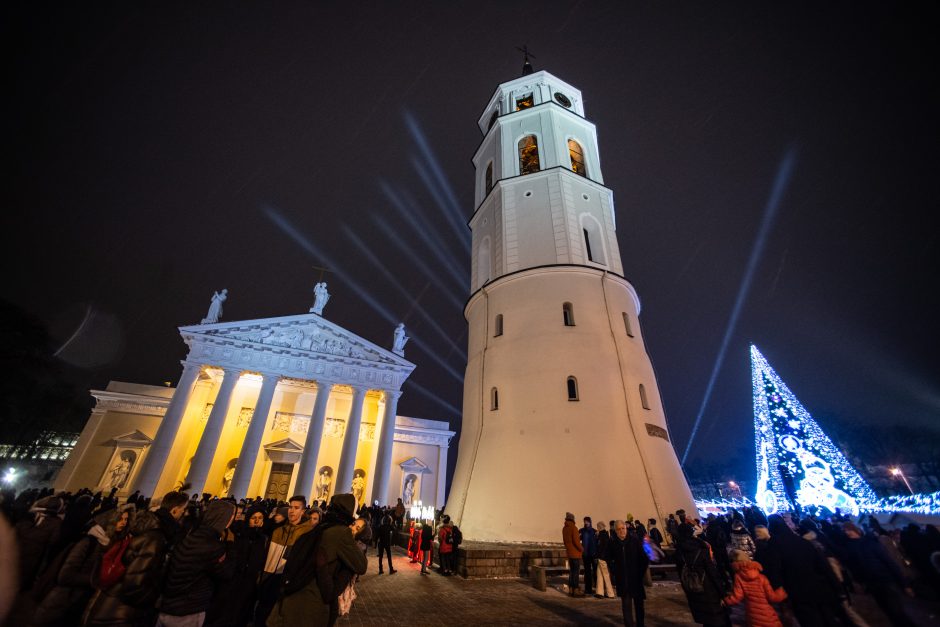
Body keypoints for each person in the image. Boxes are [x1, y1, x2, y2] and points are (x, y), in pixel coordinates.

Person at [85, 489, 190, 626]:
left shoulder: (142, 525)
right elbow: (135, 584)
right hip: (119, 613)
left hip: (108, 600)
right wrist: (155, 599)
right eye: (183, 510)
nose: (185, 513)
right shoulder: (155, 538)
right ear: (175, 510)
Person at [267, 493, 368, 627]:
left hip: (295, 593)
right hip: (311, 602)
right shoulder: (342, 532)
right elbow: (361, 566)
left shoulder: (323, 526)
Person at [31, 504, 135, 627]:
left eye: (126, 519)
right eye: (120, 519)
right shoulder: (89, 542)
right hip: (62, 603)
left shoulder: (112, 544)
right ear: (111, 520)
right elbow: (65, 575)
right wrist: (96, 579)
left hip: (79, 605)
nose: (123, 522)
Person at [158, 500, 236, 626]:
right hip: (189, 609)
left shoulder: (190, 533)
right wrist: (230, 545)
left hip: (169, 603)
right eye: (231, 517)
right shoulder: (213, 545)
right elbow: (227, 573)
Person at [841, 521, 917, 627]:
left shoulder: (869, 542)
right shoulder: (851, 547)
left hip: (885, 581)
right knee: (890, 612)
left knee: (897, 611)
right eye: (845, 530)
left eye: (848, 530)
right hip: (873, 583)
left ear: (854, 530)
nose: (847, 532)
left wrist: (904, 584)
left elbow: (889, 562)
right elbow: (855, 567)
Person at [206, 504, 269, 627]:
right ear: (248, 519)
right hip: (232, 581)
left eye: (260, 518)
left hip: (249, 584)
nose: (257, 521)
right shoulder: (238, 535)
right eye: (253, 518)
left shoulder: (263, 539)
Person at [255, 496, 313, 626]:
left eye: (296, 508)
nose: (292, 511)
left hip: (285, 581)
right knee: (261, 613)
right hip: (268, 577)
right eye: (290, 507)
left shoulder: (306, 534)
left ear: (303, 511)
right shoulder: (278, 530)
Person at [674, 522, 730, 627]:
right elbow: (712, 572)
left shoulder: (679, 552)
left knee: (706, 619)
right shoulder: (700, 547)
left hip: (693, 589)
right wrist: (722, 593)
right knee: (718, 619)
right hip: (708, 589)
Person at [723, 549, 787, 627]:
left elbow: (737, 597)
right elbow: (772, 597)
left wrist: (726, 601)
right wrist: (782, 592)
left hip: (752, 614)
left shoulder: (738, 576)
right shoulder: (761, 577)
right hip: (767, 613)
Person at [607, 520, 649, 626]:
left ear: (626, 528)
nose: (622, 531)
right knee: (626, 607)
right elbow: (609, 559)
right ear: (615, 531)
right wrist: (615, 571)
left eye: (623, 528)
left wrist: (640, 573)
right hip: (623, 580)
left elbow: (644, 559)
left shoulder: (635, 541)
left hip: (636, 579)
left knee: (639, 606)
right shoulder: (613, 544)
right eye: (619, 529)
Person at [563, 512, 584, 597]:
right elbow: (576, 542)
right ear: (573, 519)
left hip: (569, 554)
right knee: (576, 572)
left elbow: (565, 542)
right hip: (575, 554)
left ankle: (571, 589)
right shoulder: (574, 528)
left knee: (571, 572)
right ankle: (575, 590)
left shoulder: (564, 529)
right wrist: (582, 549)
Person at [595, 521, 616, 599]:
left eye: (598, 527)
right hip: (602, 558)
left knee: (605, 575)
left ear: (600, 527)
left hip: (602, 558)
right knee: (599, 574)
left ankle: (610, 593)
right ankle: (599, 592)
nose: (597, 528)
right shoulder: (605, 535)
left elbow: (601, 547)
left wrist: (600, 556)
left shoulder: (602, 535)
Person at [579, 517, 597, 595]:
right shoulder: (582, 531)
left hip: (593, 554)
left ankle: (597, 589)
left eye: (587, 521)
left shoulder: (594, 531)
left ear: (590, 522)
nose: (586, 523)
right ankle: (588, 589)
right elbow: (577, 539)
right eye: (585, 521)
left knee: (596, 572)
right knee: (587, 572)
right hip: (586, 555)